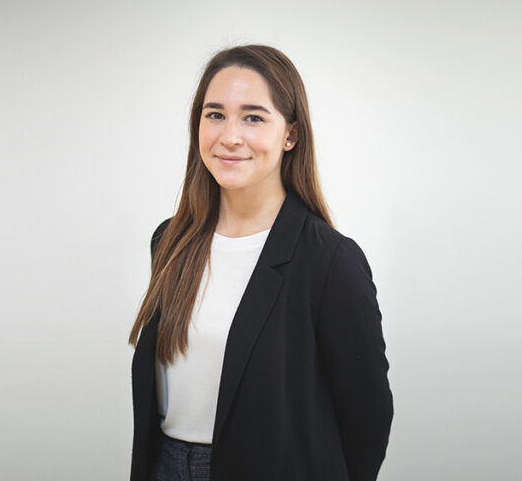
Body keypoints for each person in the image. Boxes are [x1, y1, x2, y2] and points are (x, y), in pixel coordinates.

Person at [128, 44, 394, 481]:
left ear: (290, 134)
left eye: (253, 117)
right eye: (215, 114)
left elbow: (368, 417)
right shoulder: (171, 240)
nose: (230, 136)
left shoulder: (329, 261)